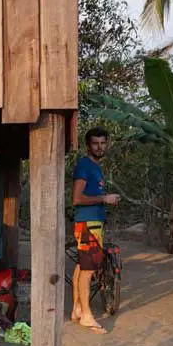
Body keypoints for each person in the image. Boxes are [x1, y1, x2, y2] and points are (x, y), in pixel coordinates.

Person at [71, 127, 120, 334]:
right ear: (88, 145)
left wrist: (105, 198)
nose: (100, 147)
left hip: (93, 224)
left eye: (102, 143)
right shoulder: (85, 165)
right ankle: (87, 316)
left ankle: (77, 309)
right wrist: (104, 199)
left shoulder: (95, 167)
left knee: (82, 267)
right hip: (88, 224)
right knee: (89, 269)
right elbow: (77, 198)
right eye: (95, 143)